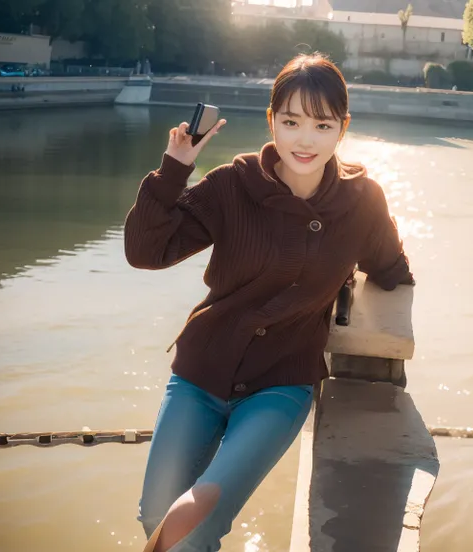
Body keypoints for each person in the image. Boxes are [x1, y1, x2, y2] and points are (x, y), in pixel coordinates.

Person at [124, 53, 414, 552]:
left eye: (322, 124)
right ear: (272, 122)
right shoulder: (232, 185)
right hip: (199, 374)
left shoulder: (361, 200)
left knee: (192, 527)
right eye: (291, 121)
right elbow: (146, 253)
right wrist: (174, 170)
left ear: (342, 128)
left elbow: (391, 269)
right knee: (155, 515)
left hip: (280, 386)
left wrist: (350, 283)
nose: (305, 139)